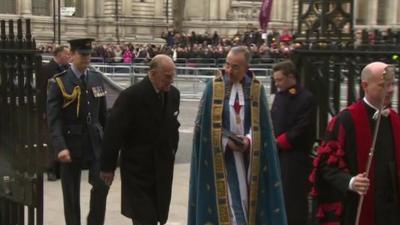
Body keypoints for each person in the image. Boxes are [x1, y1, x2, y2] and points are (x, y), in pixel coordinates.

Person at [187, 46, 287, 225]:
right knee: (232, 209)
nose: (228, 70)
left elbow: (262, 127)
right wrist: (225, 141)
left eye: (235, 67)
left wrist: (248, 141)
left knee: (248, 206)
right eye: (227, 64)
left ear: (246, 68)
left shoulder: (256, 90)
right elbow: (203, 129)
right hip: (222, 160)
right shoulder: (213, 88)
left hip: (250, 161)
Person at [309, 62, 400, 225]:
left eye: (392, 84)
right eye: (383, 85)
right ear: (365, 85)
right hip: (357, 208)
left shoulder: (395, 120)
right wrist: (350, 182)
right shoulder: (345, 120)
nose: (391, 89)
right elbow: (325, 167)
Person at [100, 54, 180, 225]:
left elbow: (173, 128)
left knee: (158, 214)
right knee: (144, 218)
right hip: (138, 170)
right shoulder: (131, 97)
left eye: (173, 75)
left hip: (162, 169)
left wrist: (172, 150)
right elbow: (113, 133)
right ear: (152, 74)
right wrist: (108, 166)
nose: (171, 80)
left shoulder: (173, 95)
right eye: (167, 76)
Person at [47, 38, 109, 225]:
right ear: (72, 55)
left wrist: (108, 142)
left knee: (101, 186)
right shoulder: (59, 82)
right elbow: (54, 119)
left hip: (95, 142)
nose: (87, 58)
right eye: (83, 54)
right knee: (71, 193)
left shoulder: (96, 78)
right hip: (71, 143)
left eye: (89, 54)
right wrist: (60, 146)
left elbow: (102, 115)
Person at [270, 60, 315, 225]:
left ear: (291, 77)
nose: (276, 83)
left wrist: (280, 141)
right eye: (275, 80)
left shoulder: (306, 98)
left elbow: (302, 129)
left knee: (293, 201)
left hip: (295, 158)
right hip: (278, 155)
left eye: (279, 80)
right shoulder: (280, 96)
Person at [40, 45, 71, 181]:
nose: (68, 56)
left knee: (61, 139)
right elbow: (41, 92)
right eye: (66, 54)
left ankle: (59, 168)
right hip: (50, 110)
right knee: (51, 140)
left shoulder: (67, 69)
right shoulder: (46, 69)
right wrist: (43, 111)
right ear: (58, 55)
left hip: (64, 110)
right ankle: (51, 169)